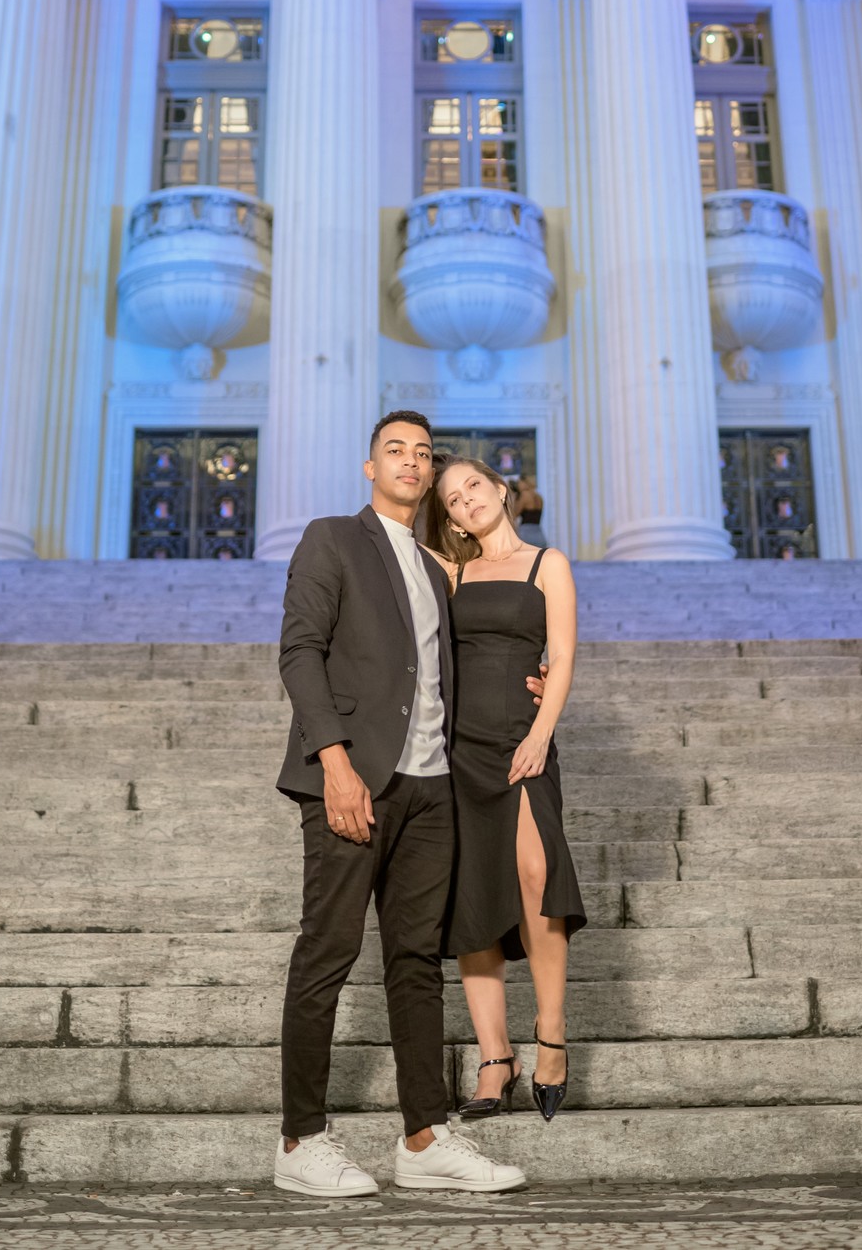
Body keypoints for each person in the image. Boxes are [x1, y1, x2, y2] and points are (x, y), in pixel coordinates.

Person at [273, 411, 528, 1200]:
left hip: (431, 790)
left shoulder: (433, 561)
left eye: (423, 453)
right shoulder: (332, 538)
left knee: (416, 964)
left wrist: (537, 676)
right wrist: (334, 764)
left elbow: (461, 661)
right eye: (397, 450)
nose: (413, 462)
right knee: (328, 952)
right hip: (355, 781)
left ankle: (422, 1136)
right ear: (369, 466)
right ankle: (300, 1140)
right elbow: (299, 649)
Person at [422, 458, 584, 1125]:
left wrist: (542, 732)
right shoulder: (450, 571)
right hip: (458, 751)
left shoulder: (549, 563)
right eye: (454, 501)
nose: (466, 504)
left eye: (473, 489)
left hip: (522, 739)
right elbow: (387, 537)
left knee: (535, 872)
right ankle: (496, 1058)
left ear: (500, 488)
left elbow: (565, 656)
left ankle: (551, 1038)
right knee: (473, 895)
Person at [513, 472, 547, 550]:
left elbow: (514, 514)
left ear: (523, 483)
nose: (518, 485)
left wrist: (514, 499)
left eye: (519, 482)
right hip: (539, 532)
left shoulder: (524, 495)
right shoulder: (539, 497)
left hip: (525, 533)